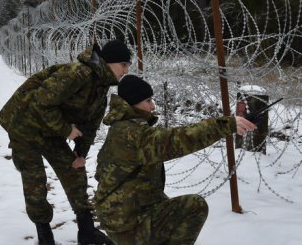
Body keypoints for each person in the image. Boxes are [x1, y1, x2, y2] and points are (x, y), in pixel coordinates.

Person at [0, 40, 132, 245]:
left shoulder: (100, 89)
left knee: (74, 172)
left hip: (51, 131)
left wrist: (81, 153)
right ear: (109, 62)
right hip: (25, 127)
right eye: (124, 64)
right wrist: (66, 130)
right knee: (35, 183)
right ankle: (44, 233)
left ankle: (86, 231)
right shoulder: (77, 73)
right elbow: (41, 103)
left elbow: (90, 125)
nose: (126, 70)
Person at [94, 75, 256, 245]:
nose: (152, 106)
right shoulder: (131, 133)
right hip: (127, 226)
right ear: (133, 102)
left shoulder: (122, 127)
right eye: (147, 100)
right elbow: (175, 140)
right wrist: (224, 125)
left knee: (167, 205)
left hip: (121, 217)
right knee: (195, 206)